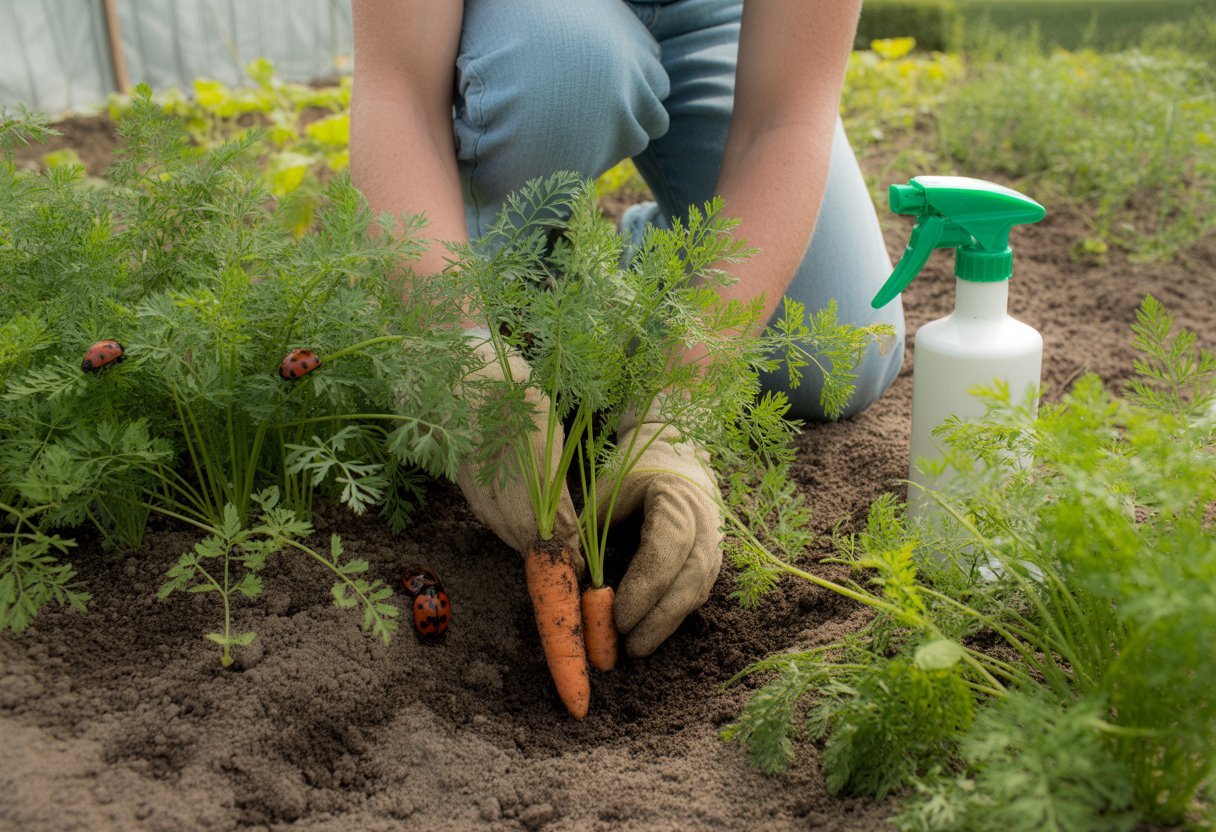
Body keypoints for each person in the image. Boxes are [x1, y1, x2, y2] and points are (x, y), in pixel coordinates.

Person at [349, 0, 905, 658]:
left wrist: (680, 405)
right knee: (576, 68)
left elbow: (783, 122)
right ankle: (505, 282)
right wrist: (459, 354)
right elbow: (398, 91)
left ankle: (641, 274)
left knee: (832, 353)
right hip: (541, 34)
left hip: (716, 18)